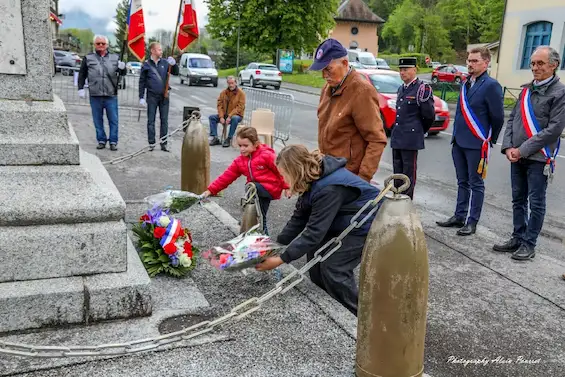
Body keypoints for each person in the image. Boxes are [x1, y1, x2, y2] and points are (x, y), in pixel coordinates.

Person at [255, 145, 381, 316]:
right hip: (342, 218)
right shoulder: (312, 179)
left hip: (366, 223)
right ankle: (330, 304)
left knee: (334, 267)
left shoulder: (329, 188)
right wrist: (275, 244)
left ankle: (359, 316)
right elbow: (299, 218)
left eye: (285, 174)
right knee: (314, 258)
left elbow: (314, 232)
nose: (284, 179)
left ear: (295, 171)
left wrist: (281, 259)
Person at [494, 46, 565, 261]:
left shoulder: (560, 93)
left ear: (554, 65)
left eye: (540, 63)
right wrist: (507, 147)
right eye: (533, 63)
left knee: (536, 203)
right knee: (517, 199)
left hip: (538, 157)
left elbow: (554, 129)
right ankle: (517, 236)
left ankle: (529, 243)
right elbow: (512, 120)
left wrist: (522, 149)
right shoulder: (525, 90)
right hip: (517, 156)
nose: (535, 67)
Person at [436, 47, 504, 236]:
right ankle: (459, 216)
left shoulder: (491, 85)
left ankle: (472, 221)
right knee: (462, 181)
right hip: (458, 141)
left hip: (476, 143)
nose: (470, 64)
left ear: (486, 62)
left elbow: (497, 117)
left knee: (476, 183)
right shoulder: (466, 83)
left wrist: (490, 139)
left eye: (475, 61)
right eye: (469, 60)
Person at [309, 38, 387, 182]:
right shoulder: (327, 88)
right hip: (327, 169)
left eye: (328, 69)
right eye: (322, 70)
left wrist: (362, 179)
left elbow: (377, 140)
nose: (324, 75)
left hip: (348, 176)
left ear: (345, 63)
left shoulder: (362, 91)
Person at [202, 127, 288, 234]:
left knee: (260, 212)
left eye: (245, 146)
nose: (242, 149)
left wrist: (287, 187)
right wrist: (211, 190)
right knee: (255, 208)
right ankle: (250, 224)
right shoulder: (240, 161)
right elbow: (226, 176)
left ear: (256, 144)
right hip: (255, 191)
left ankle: (264, 236)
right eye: (240, 146)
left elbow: (281, 171)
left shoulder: (266, 155)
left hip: (269, 189)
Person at [391, 57, 435, 199]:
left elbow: (429, 115)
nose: (402, 73)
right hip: (398, 137)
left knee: (408, 174)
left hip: (410, 138)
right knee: (397, 172)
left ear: (414, 70)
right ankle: (396, 199)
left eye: (406, 70)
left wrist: (418, 130)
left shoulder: (422, 89)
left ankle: (406, 202)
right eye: (401, 70)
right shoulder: (401, 89)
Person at [78, 35, 127, 151]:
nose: (100, 46)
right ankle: (101, 140)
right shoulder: (88, 58)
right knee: (97, 119)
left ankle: (113, 141)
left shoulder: (115, 58)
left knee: (113, 120)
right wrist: (80, 88)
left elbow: (122, 73)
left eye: (103, 44)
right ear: (94, 45)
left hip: (111, 94)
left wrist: (123, 68)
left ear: (107, 45)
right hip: (95, 94)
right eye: (98, 43)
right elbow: (82, 74)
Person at [138, 42, 179, 152]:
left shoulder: (165, 63)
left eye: (161, 50)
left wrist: (174, 64)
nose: (161, 52)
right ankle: (151, 143)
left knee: (164, 120)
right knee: (151, 120)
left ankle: (163, 143)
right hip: (151, 96)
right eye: (159, 50)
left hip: (164, 96)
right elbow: (142, 82)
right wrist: (141, 96)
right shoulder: (146, 64)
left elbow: (176, 72)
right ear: (152, 50)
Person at [209, 76, 246, 147]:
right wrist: (221, 117)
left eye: (232, 83)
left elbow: (240, 107)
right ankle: (215, 137)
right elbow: (219, 105)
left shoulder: (241, 94)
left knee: (234, 118)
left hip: (237, 115)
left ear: (235, 83)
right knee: (212, 117)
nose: (231, 85)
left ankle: (229, 138)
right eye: (229, 83)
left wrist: (230, 116)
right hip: (225, 115)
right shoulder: (223, 93)